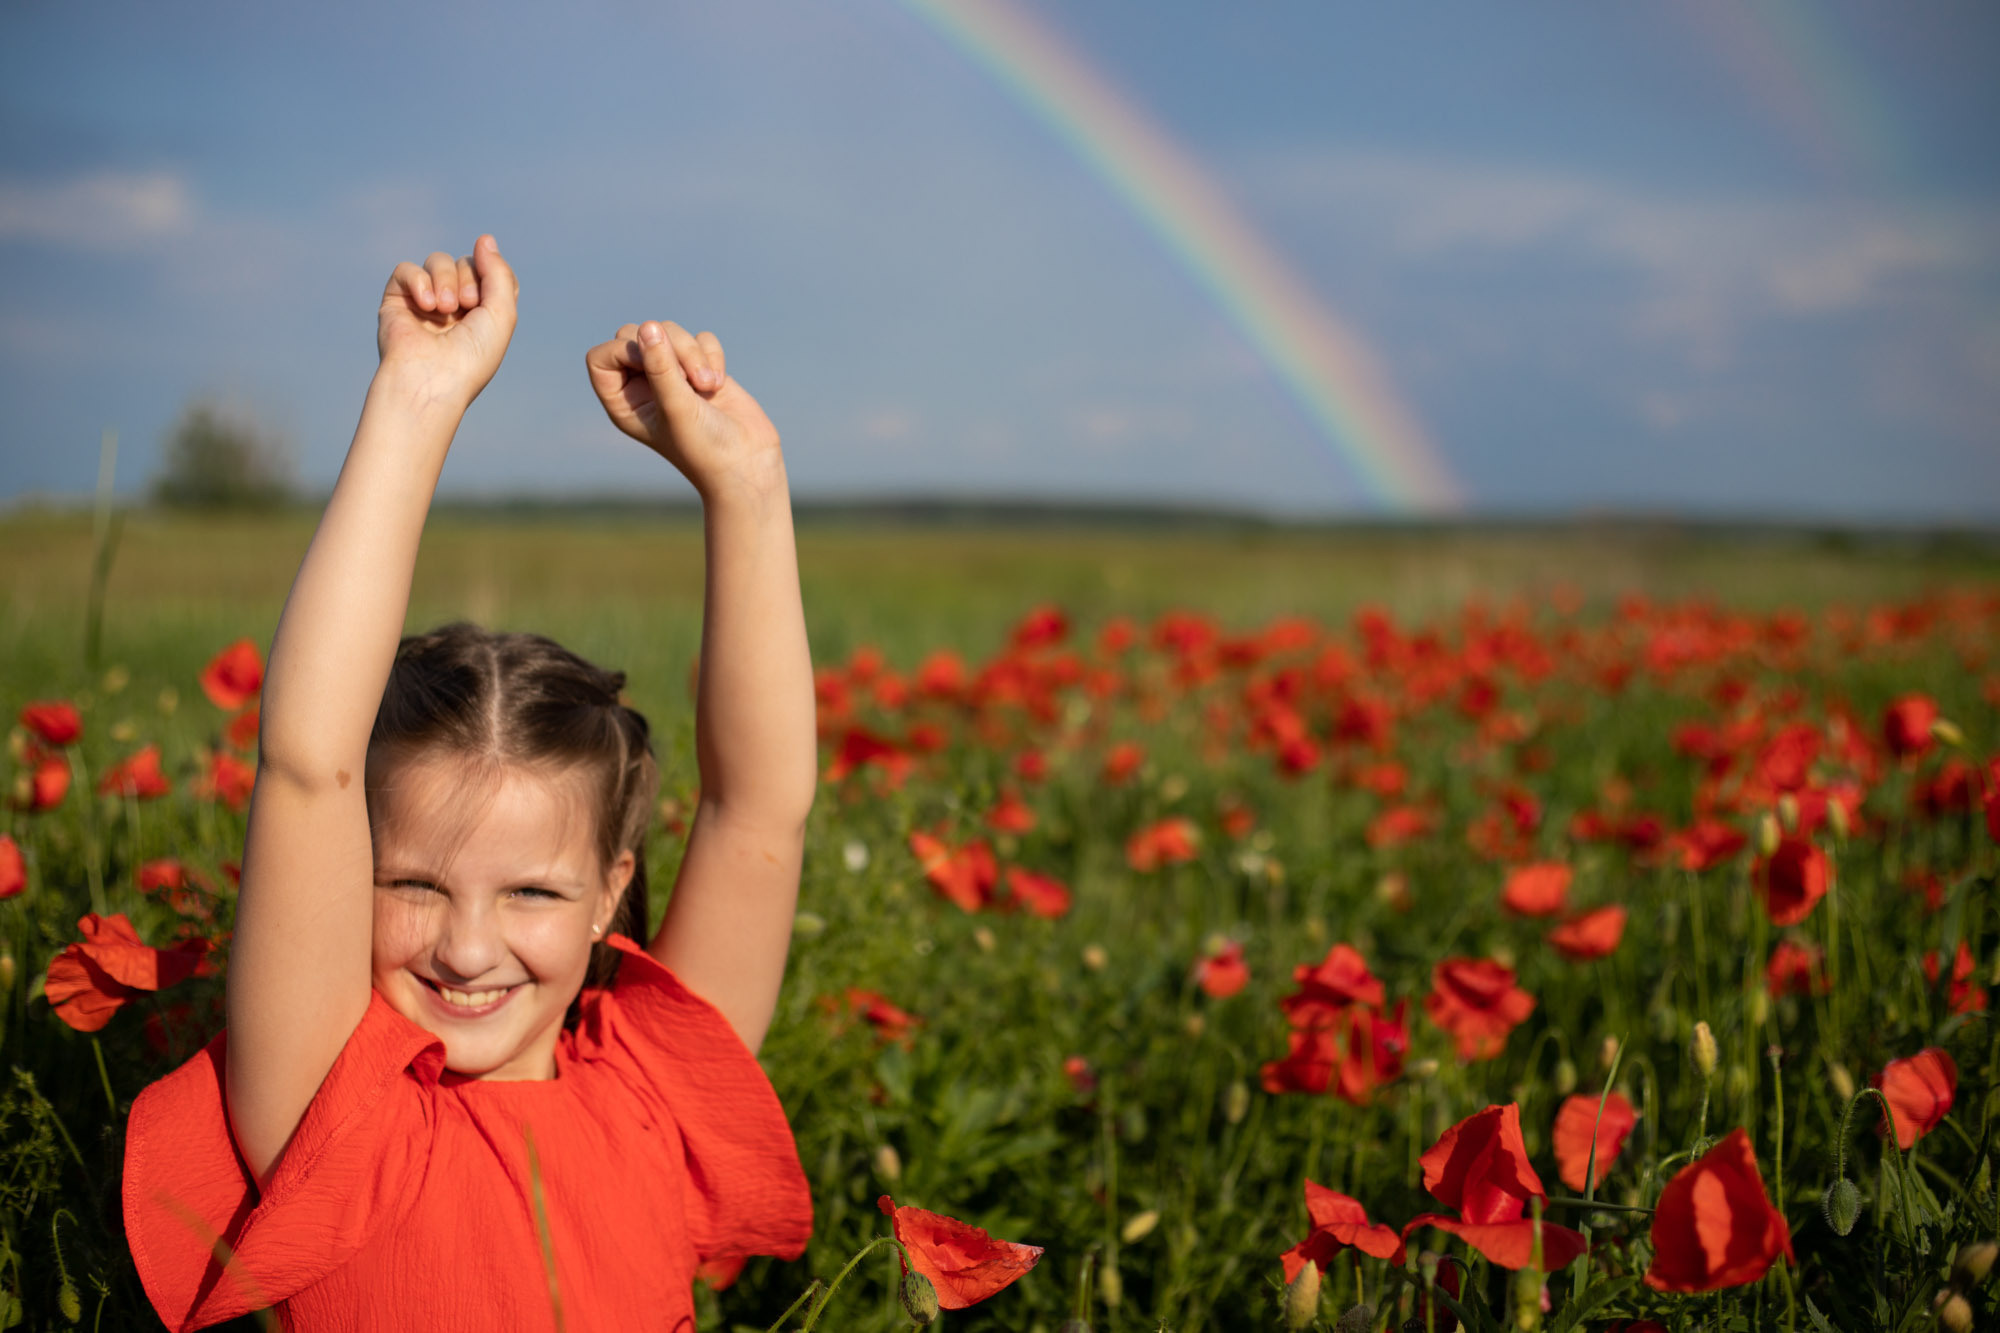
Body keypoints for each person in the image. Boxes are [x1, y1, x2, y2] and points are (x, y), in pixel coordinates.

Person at [123, 236, 817, 1331]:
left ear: (610, 890)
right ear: (348, 871)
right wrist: (418, 396)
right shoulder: (332, 1126)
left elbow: (758, 808)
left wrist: (747, 483)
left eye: (532, 891)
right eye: (415, 884)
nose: (468, 948)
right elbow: (308, 764)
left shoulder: (653, 1101)